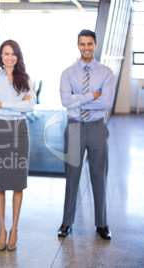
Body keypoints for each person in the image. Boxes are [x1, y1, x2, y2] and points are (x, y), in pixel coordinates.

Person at [58, 29, 115, 240]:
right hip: (74, 128)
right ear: (78, 45)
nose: (86, 47)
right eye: (82, 44)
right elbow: (66, 101)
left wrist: (78, 98)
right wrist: (92, 95)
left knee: (99, 176)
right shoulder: (68, 73)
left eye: (90, 44)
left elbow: (106, 102)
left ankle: (102, 223)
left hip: (97, 127)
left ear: (95, 45)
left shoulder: (106, 73)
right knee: (72, 176)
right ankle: (66, 222)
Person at [0, 39, 35, 251]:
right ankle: (2, 229)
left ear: (18, 56)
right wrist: (17, 106)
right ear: (0, 56)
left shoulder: (25, 78)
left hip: (19, 132)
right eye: (6, 53)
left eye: (13, 53)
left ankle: (14, 229)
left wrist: (3, 104)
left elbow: (30, 106)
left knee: (17, 182)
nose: (10, 57)